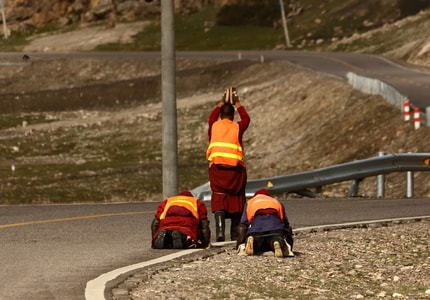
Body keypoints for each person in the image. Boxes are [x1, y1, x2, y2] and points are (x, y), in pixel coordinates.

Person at [206, 87, 250, 242]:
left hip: (217, 171)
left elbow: (211, 118)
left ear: (220, 115)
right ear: (232, 116)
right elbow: (247, 119)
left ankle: (219, 231)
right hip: (235, 173)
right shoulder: (237, 126)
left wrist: (221, 102)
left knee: (219, 198)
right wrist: (237, 103)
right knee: (236, 198)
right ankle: (234, 233)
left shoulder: (214, 126)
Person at [236, 189, 294, 257]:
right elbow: (285, 222)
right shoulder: (276, 202)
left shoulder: (250, 202)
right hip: (275, 225)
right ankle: (276, 242)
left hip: (257, 226)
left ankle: (253, 240)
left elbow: (243, 222)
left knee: (258, 241)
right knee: (275, 237)